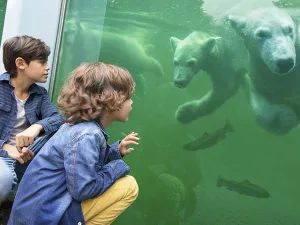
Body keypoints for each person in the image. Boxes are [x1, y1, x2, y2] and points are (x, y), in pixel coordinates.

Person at [8, 62, 139, 225]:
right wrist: (117, 166)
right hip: (41, 219)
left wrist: (114, 152)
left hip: (33, 216)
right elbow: (84, 189)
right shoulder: (87, 135)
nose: (131, 102)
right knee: (128, 186)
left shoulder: (77, 128)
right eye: (127, 97)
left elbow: (84, 168)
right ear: (108, 100)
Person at [0, 35, 64, 194]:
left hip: (28, 156)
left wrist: (36, 127)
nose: (47, 67)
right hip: (3, 156)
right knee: (3, 178)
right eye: (42, 62)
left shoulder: (39, 94)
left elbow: (60, 119)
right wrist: (7, 148)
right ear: (21, 63)